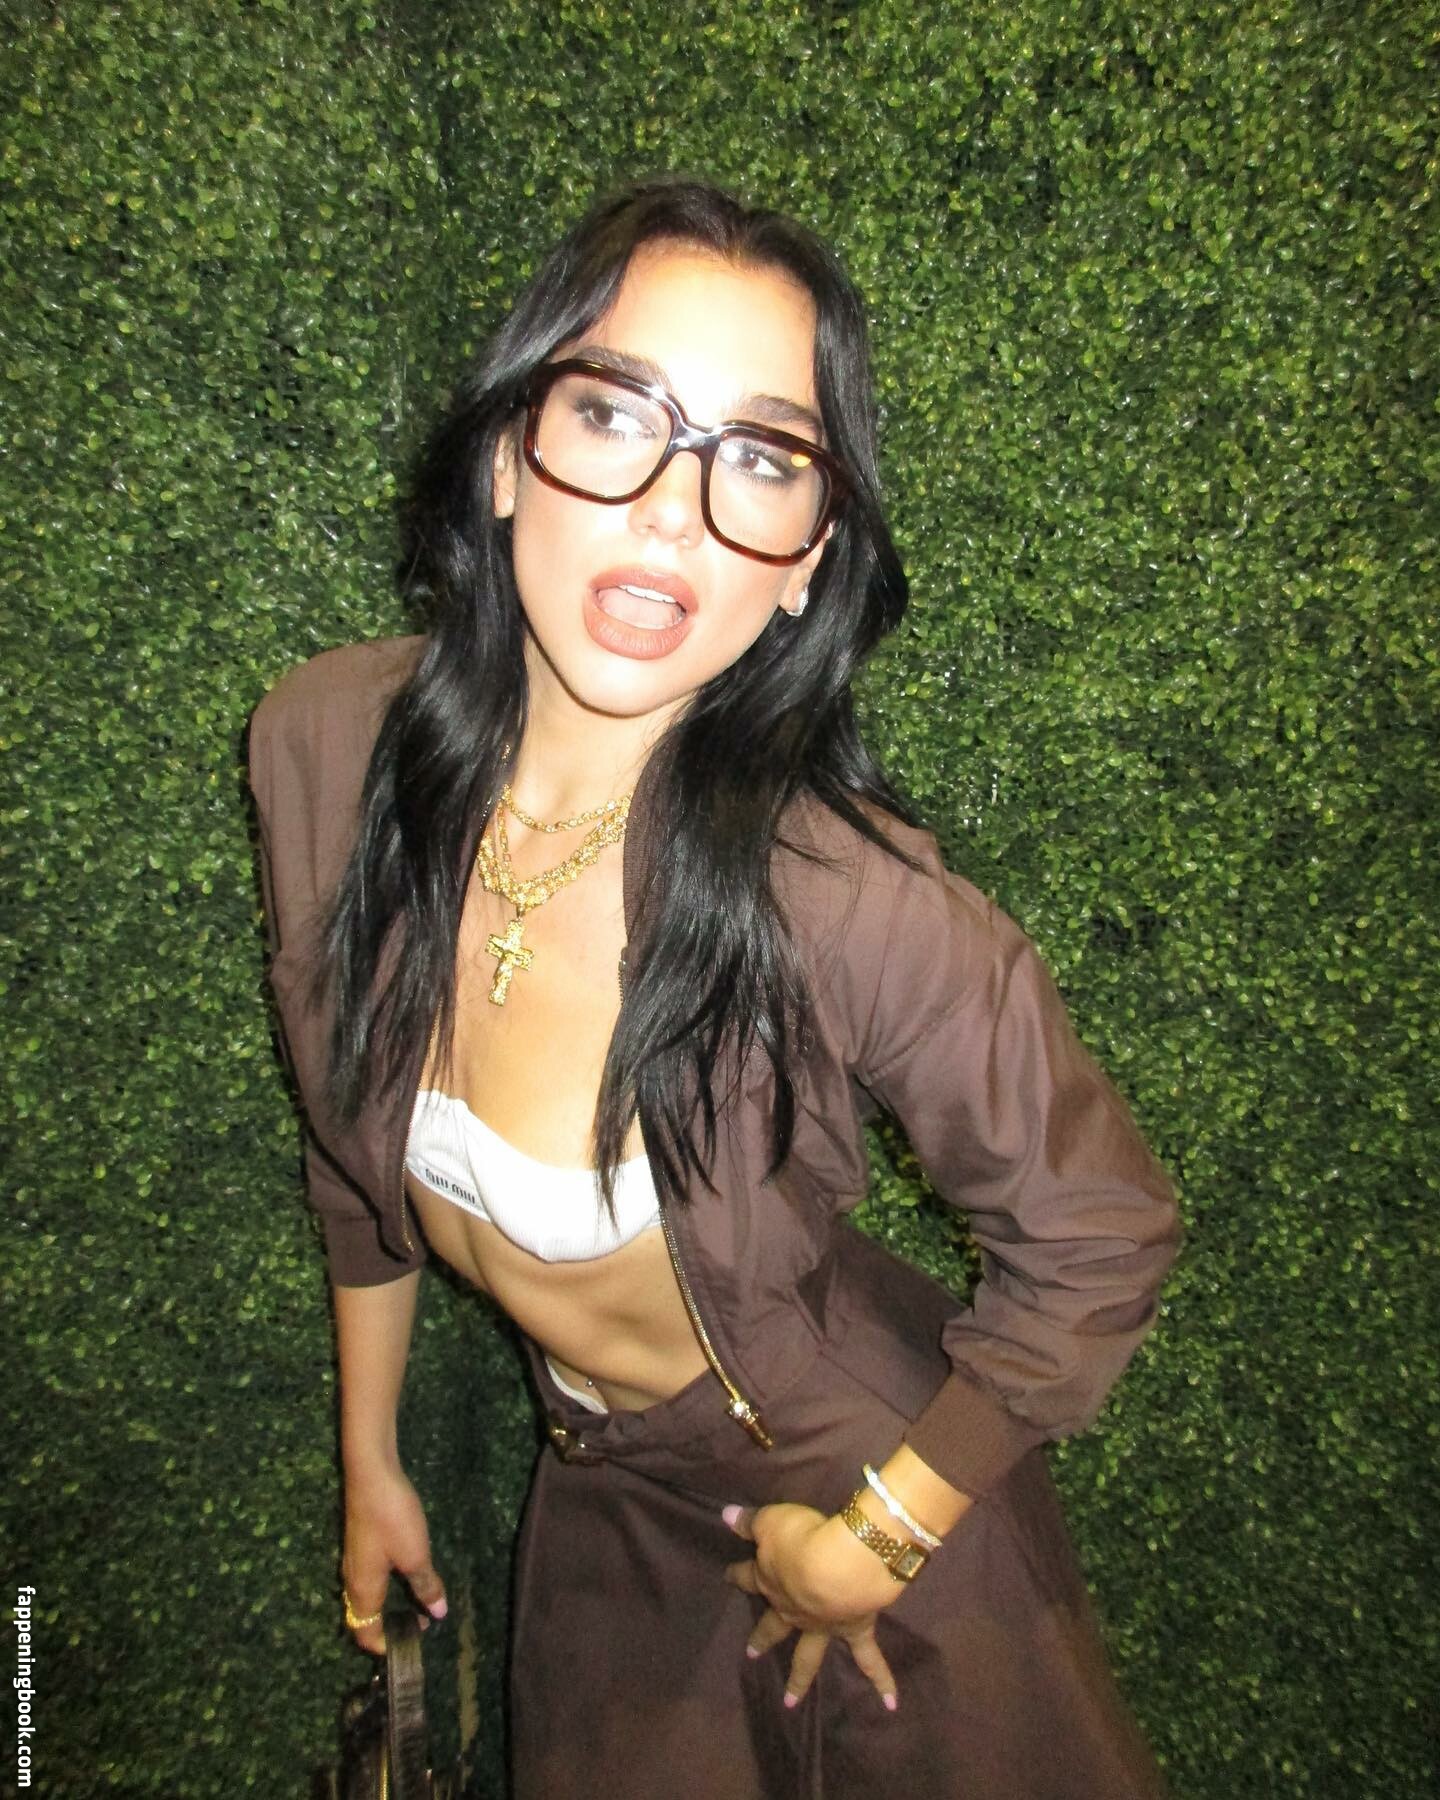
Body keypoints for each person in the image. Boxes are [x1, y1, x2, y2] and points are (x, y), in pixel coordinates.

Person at [247, 177, 1182, 1799]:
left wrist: (882, 1537)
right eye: (616, 414)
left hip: (848, 1477)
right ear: (505, 456)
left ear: (806, 559)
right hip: (602, 1486)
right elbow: (354, 1169)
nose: (674, 512)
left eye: (759, 457)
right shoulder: (327, 750)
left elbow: (1102, 1234)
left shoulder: (848, 900)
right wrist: (370, 1455)